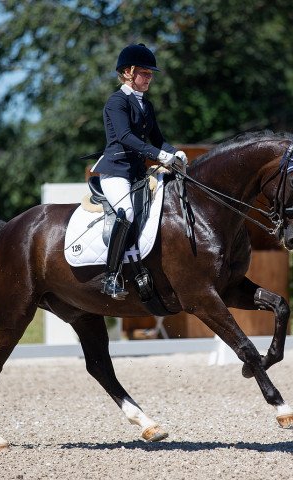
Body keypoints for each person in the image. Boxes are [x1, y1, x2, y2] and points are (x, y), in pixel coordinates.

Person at [90, 43, 187, 299]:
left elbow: (158, 139)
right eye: (144, 73)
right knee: (127, 212)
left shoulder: (147, 105)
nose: (149, 78)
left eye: (150, 74)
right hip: (115, 171)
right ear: (128, 73)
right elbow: (124, 136)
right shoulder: (116, 102)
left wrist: (174, 152)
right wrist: (158, 155)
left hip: (137, 173)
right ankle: (111, 276)